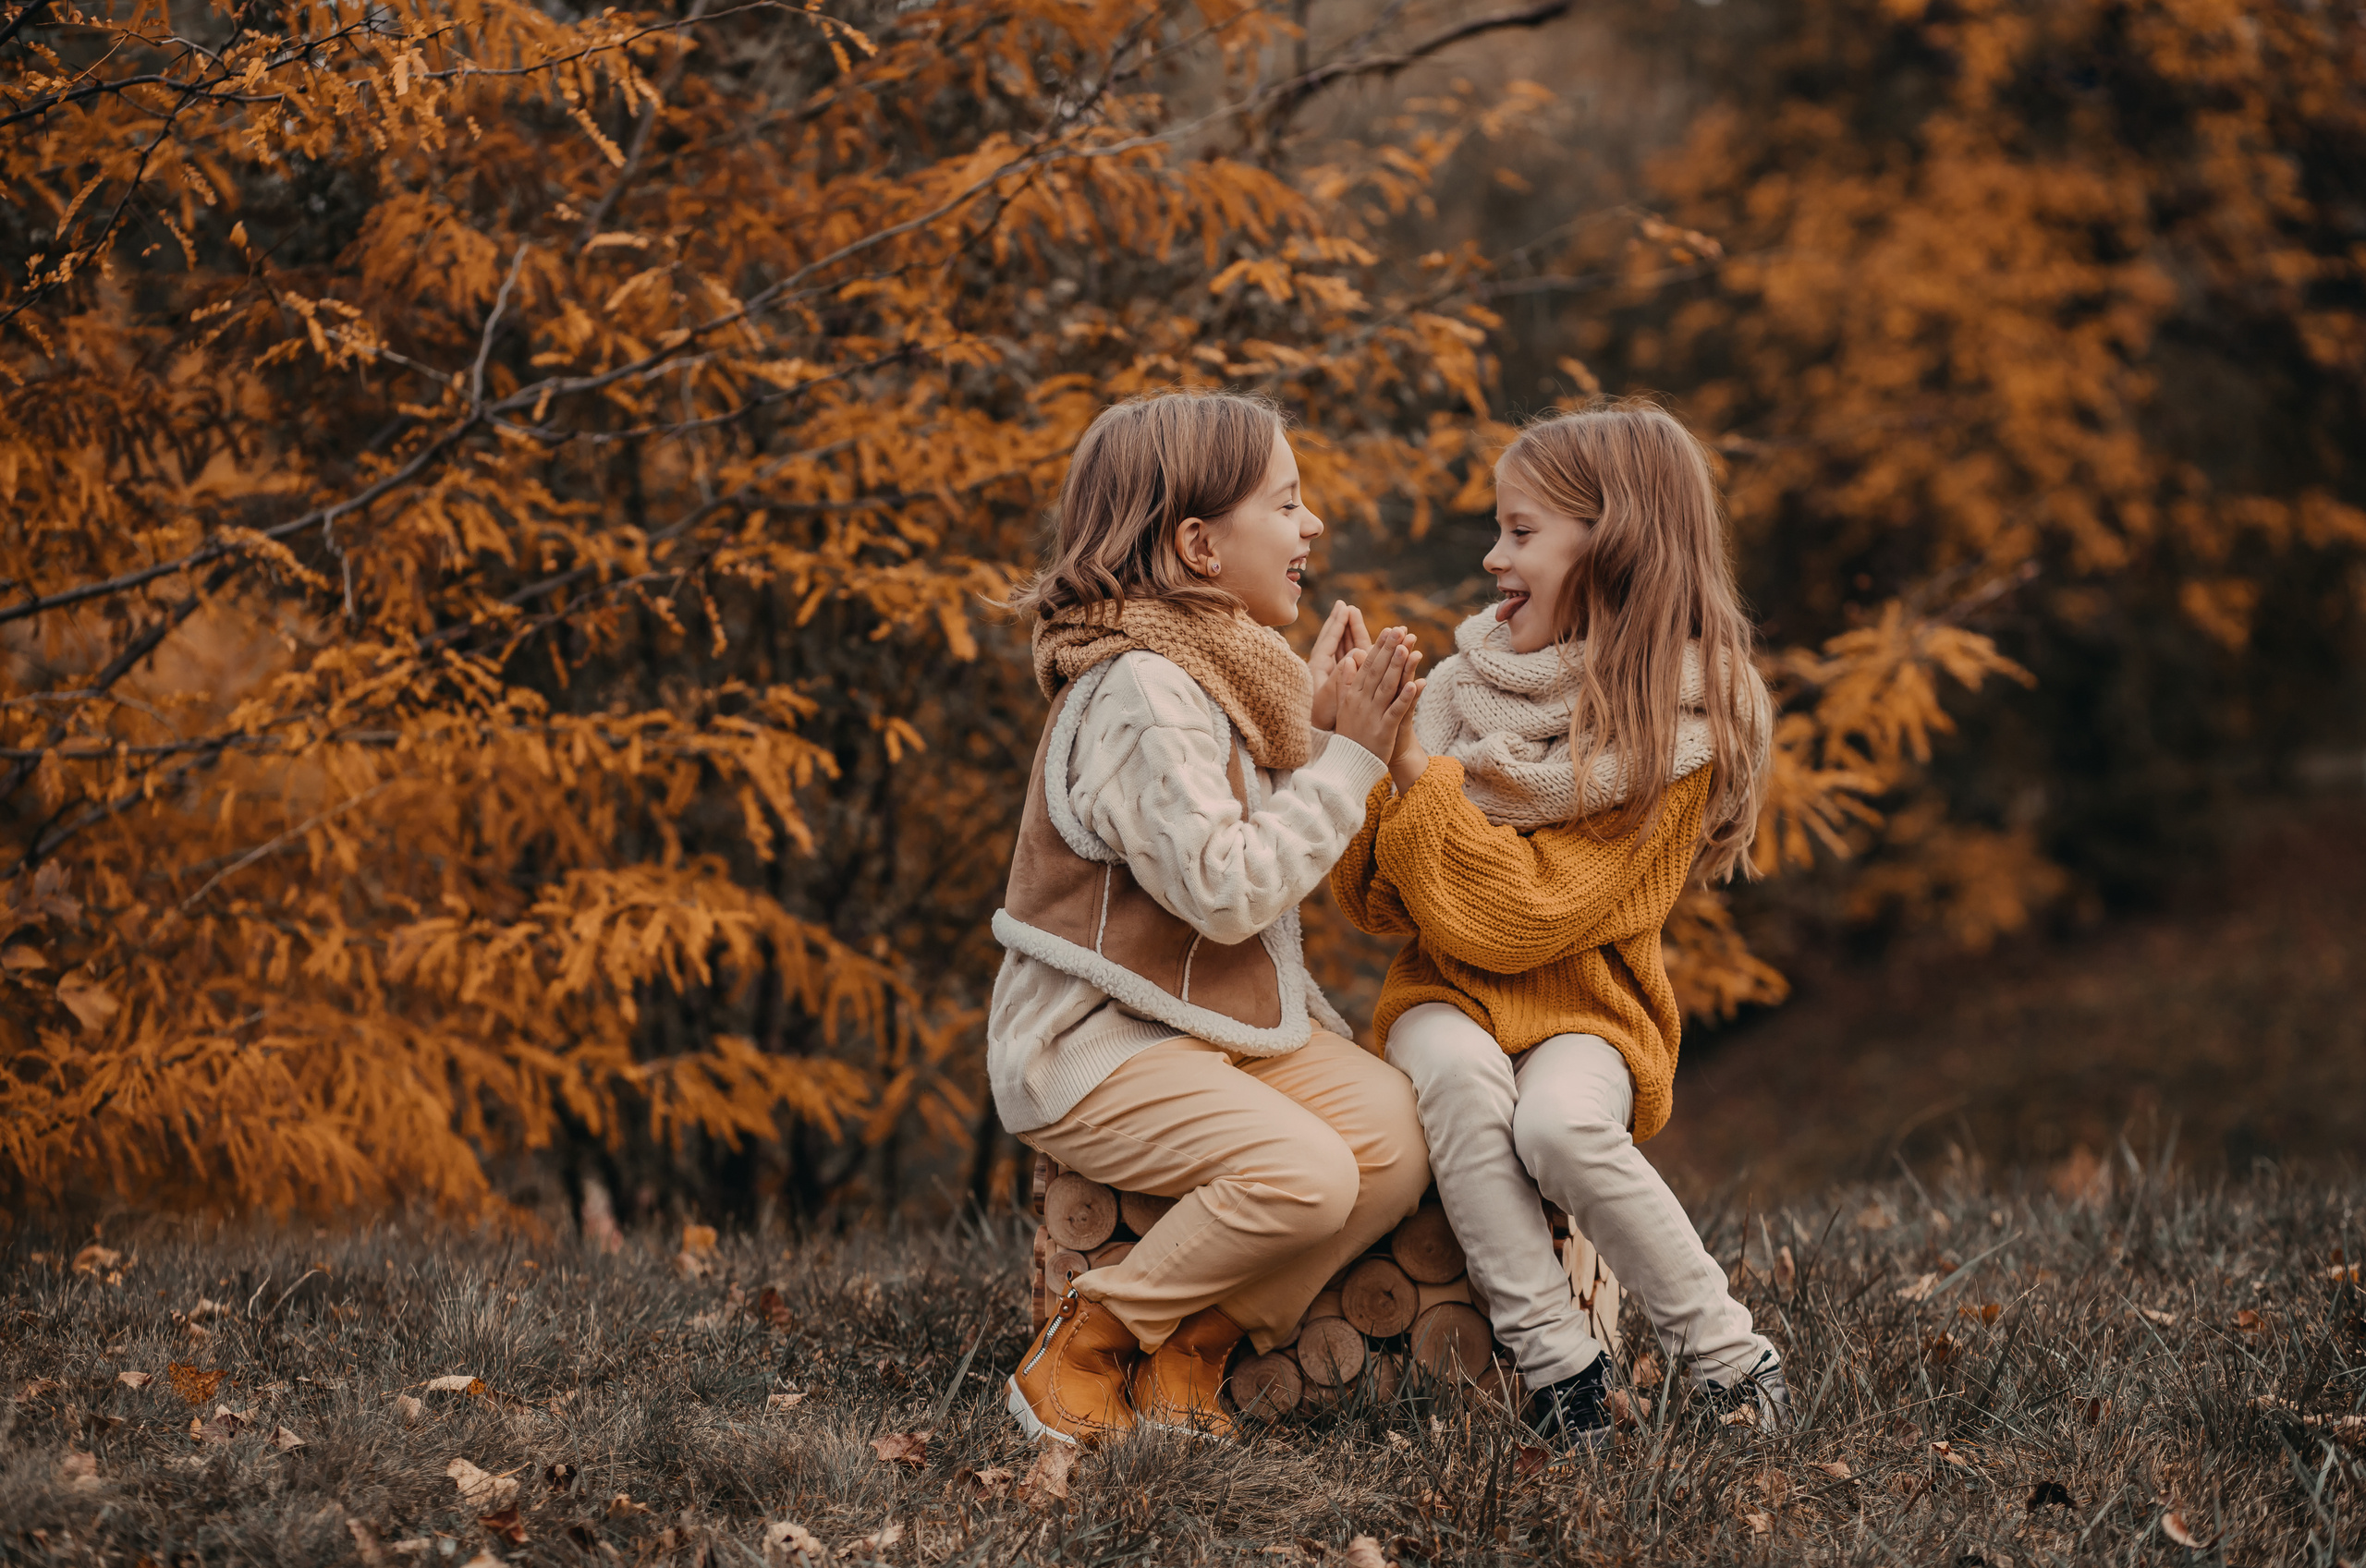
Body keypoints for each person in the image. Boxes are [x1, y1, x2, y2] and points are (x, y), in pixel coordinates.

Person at [1330, 400, 1788, 1449]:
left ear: (1614, 540)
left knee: (1557, 1125)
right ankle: (1563, 1372)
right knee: (1453, 1074)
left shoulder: (1684, 726)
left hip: (1591, 1006)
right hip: (1442, 994)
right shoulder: (1455, 692)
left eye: (1521, 532)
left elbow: (1527, 915)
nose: (1493, 556)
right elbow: (1372, 901)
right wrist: (1352, 750)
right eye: (1498, 528)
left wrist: (1412, 777)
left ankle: (1729, 1355)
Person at [993, 389, 1431, 1445]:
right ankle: (1086, 1346)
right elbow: (1228, 893)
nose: (1311, 524)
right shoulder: (1143, 690)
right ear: (1197, 543)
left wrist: (1318, 739)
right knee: (1307, 1172)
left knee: (1394, 1133)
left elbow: (1250, 862)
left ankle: (1193, 1348)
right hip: (1093, 1045)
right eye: (1285, 503)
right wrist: (1351, 761)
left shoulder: (1219, 676)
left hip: (1203, 1028)